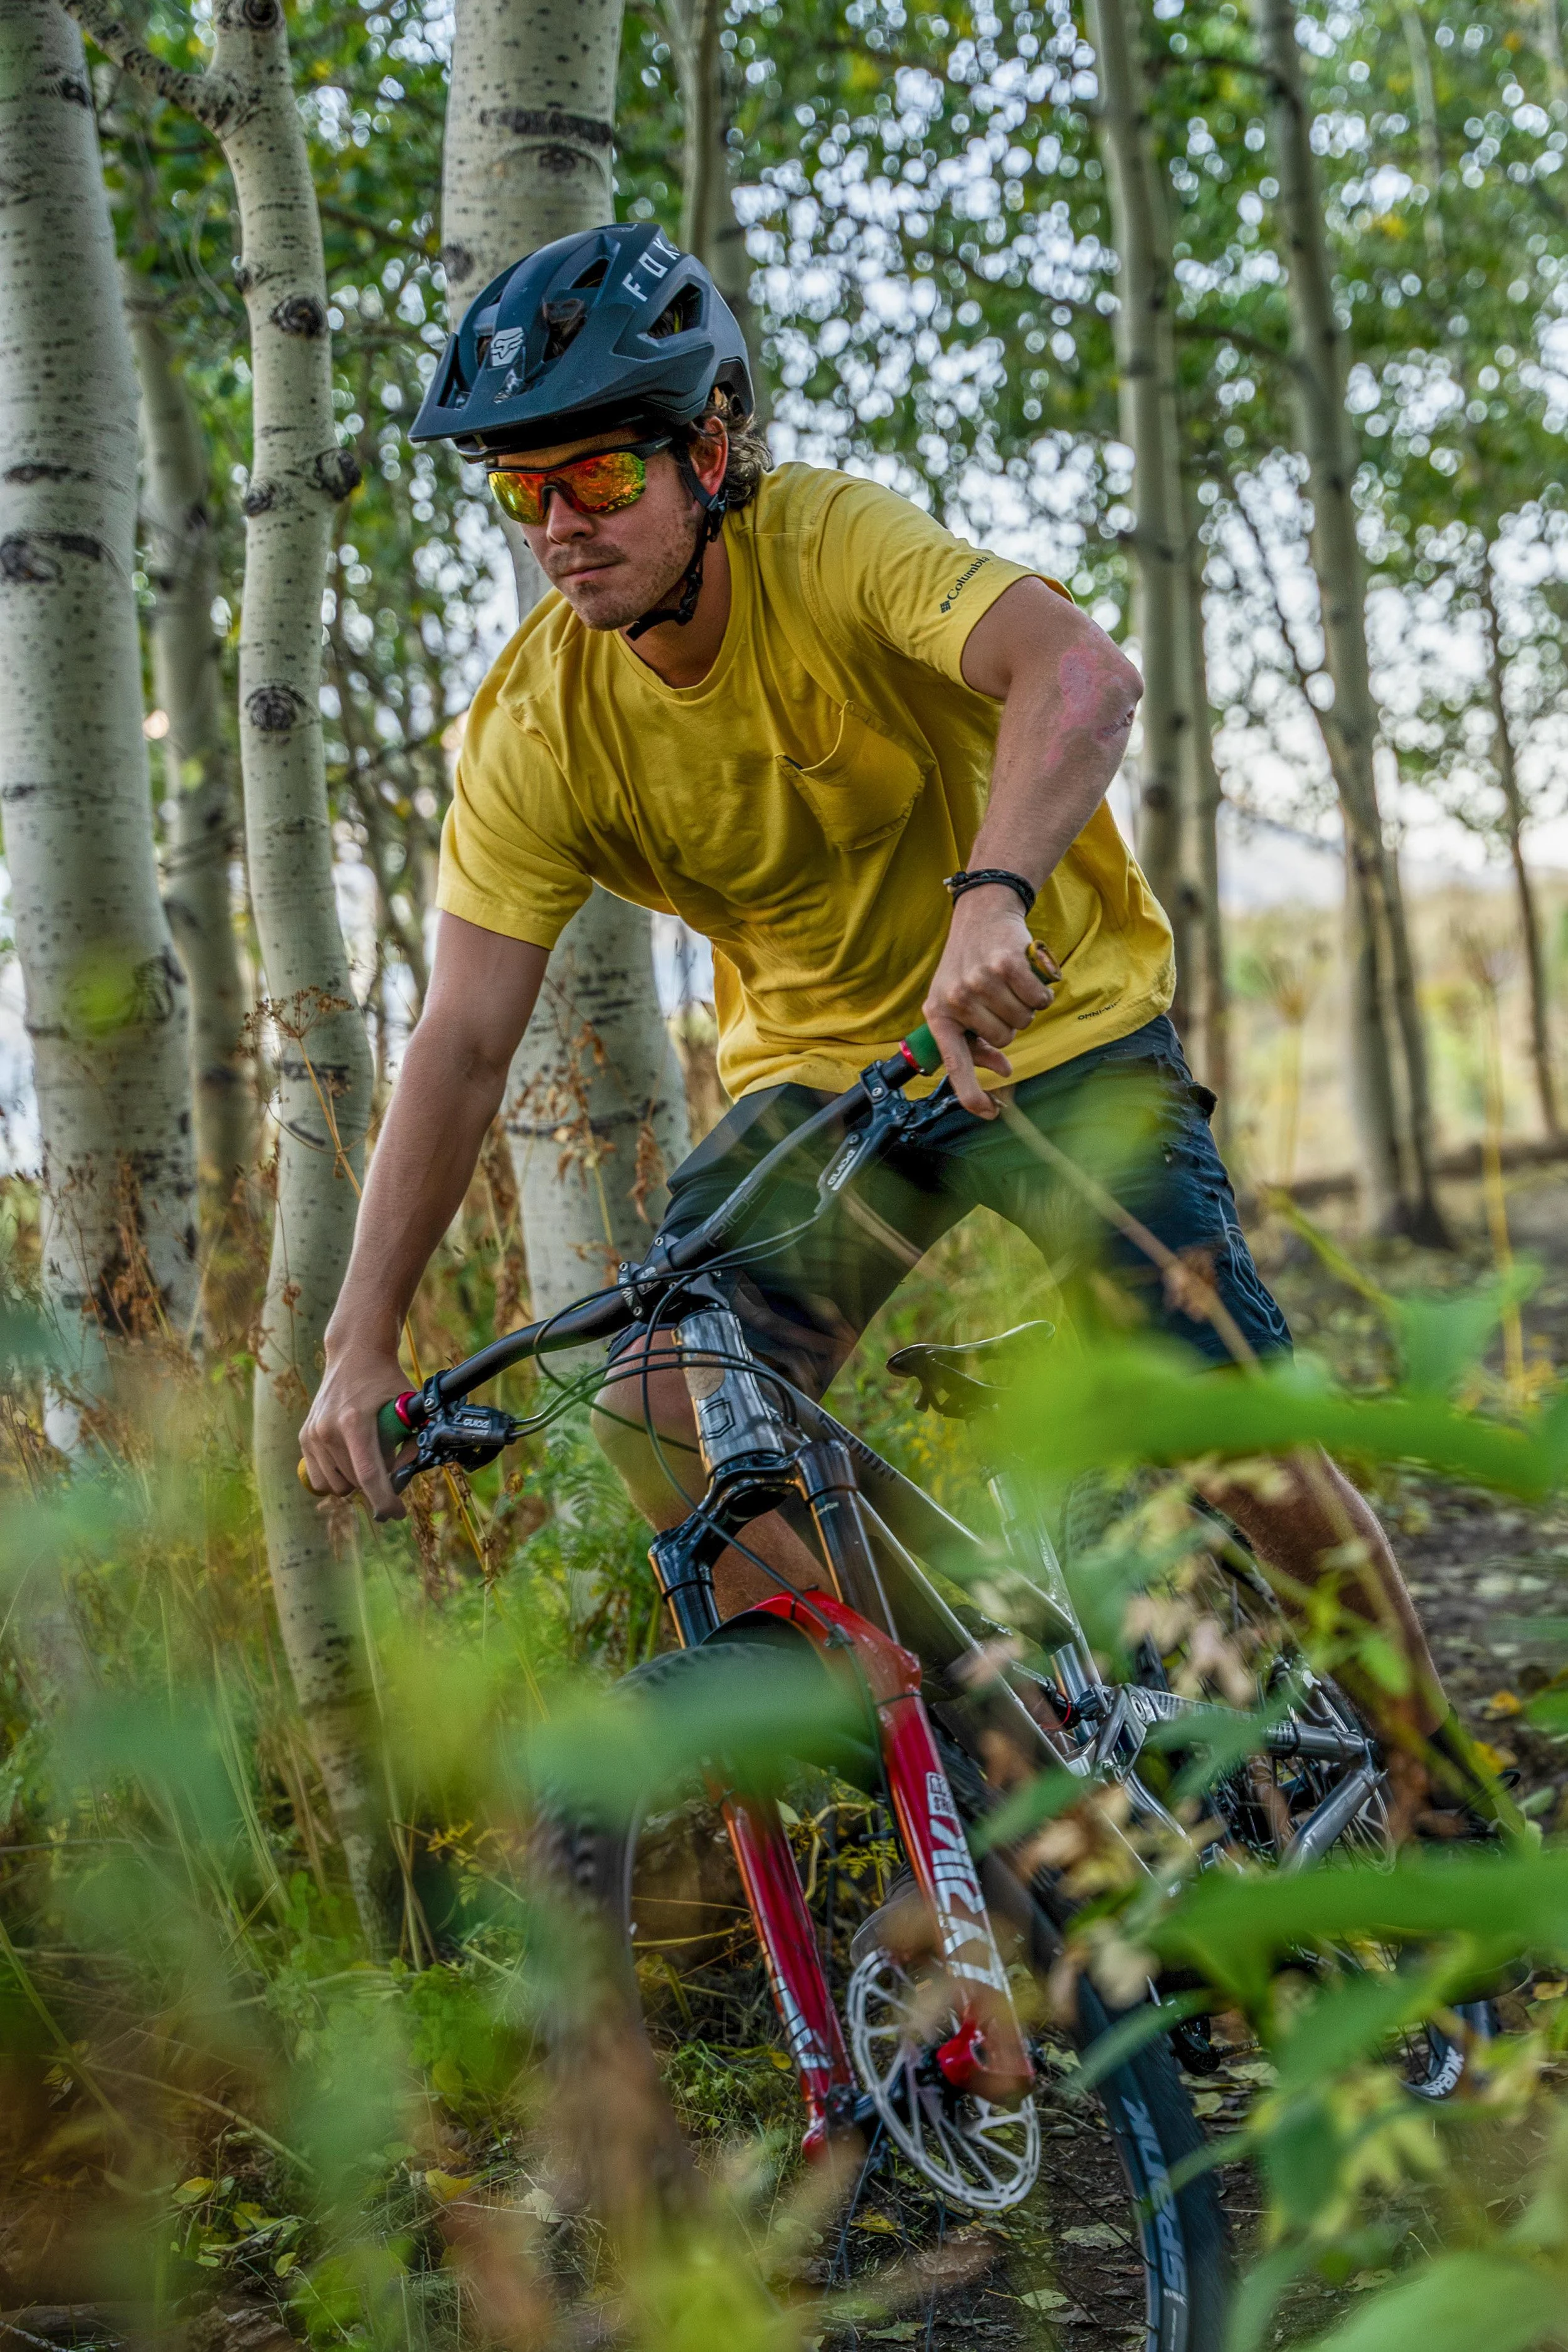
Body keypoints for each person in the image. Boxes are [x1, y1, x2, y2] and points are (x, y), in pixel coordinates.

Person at [300, 223, 1510, 1838]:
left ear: (710, 448)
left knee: (1238, 1435)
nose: (561, 531)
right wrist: (356, 1339)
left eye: (596, 477)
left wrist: (995, 892)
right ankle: (1011, 1777)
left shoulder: (831, 545)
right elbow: (458, 1040)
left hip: (1049, 1030)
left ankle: (1444, 1812)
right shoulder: (539, 726)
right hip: (825, 1079)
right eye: (524, 495)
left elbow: (1079, 671)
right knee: (669, 1415)